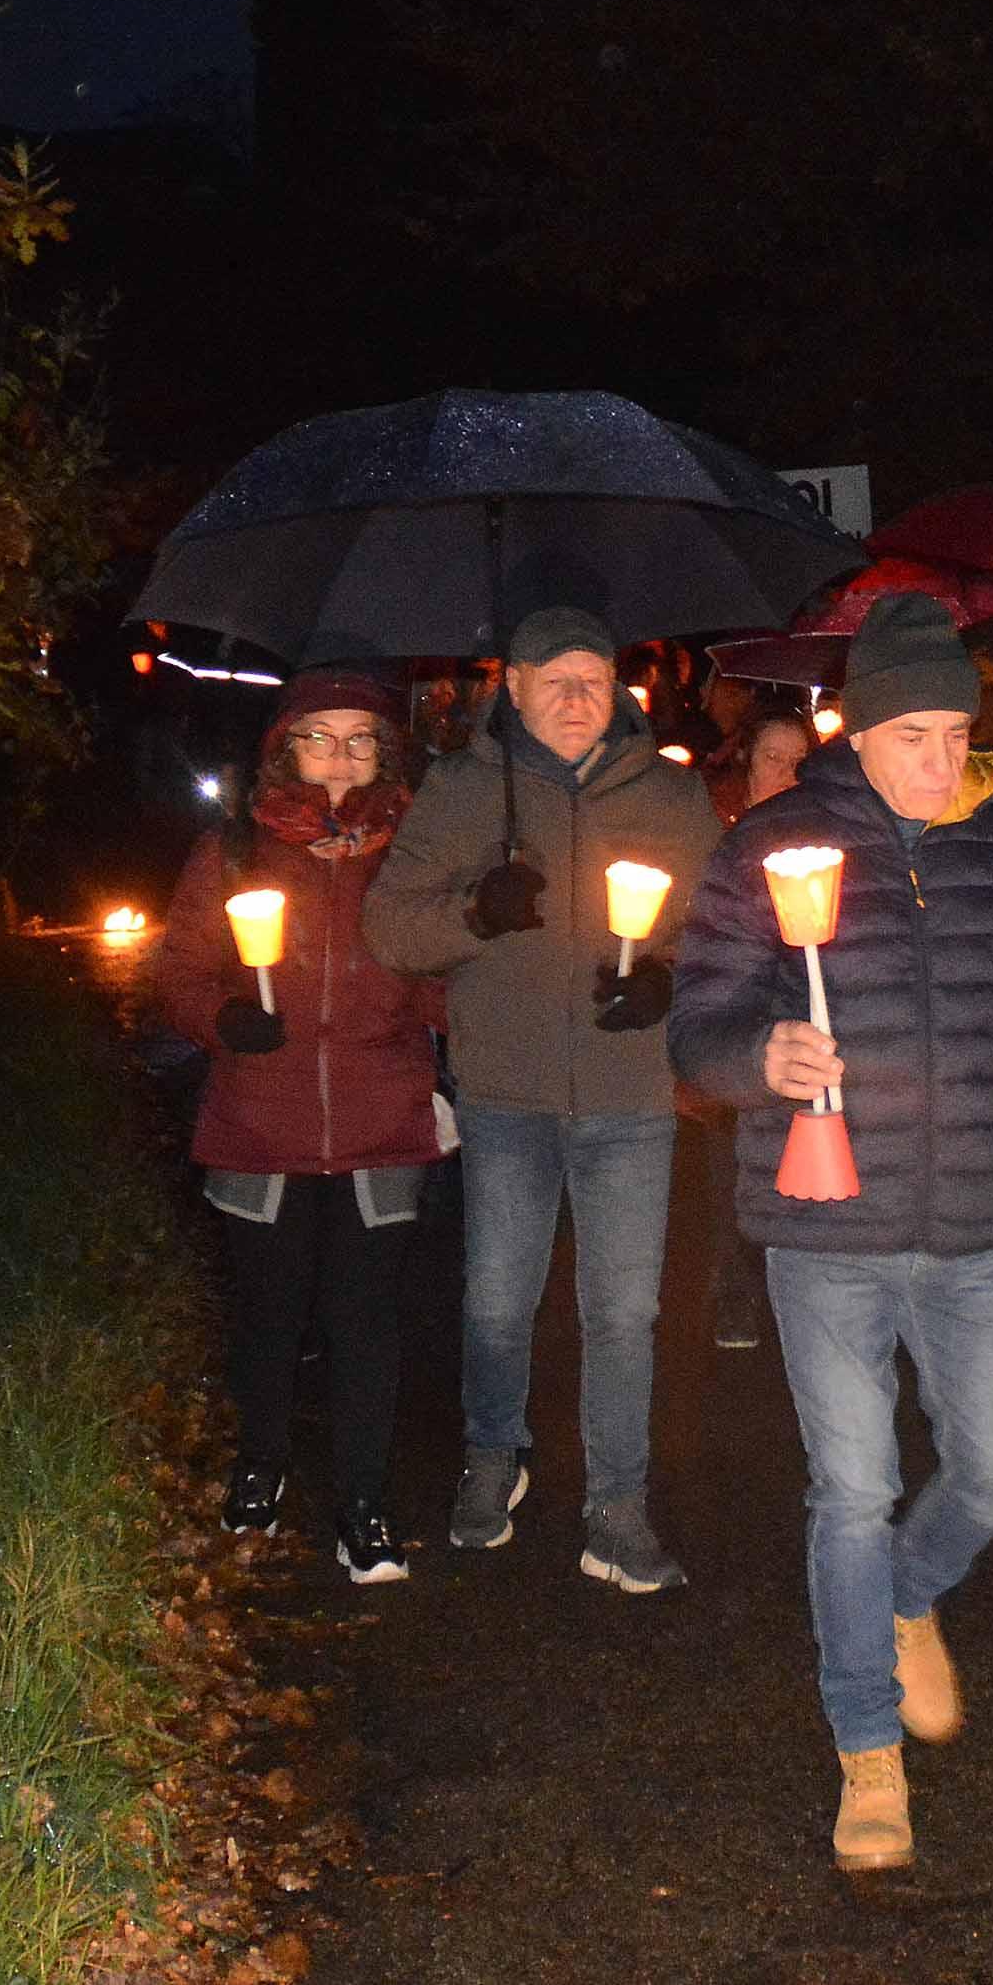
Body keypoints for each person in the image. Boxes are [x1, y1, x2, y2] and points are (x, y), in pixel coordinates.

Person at [668, 592, 993, 1874]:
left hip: (969, 1222)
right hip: (825, 1223)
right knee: (851, 1489)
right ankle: (866, 1754)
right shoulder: (775, 843)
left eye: (962, 733)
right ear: (865, 727)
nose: (947, 761)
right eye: (919, 736)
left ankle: (910, 1597)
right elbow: (697, 1026)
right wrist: (761, 1051)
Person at [364, 606, 721, 1593]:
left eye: (593, 678)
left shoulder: (673, 795)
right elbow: (391, 928)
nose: (575, 698)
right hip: (507, 1093)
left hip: (626, 1095)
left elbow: (722, 929)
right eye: (552, 679)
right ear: (509, 686)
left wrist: (667, 972)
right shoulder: (464, 789)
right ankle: (493, 1454)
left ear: (621, 688)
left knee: (622, 1310)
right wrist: (478, 910)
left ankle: (617, 1507)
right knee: (496, 1299)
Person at [153, 670, 446, 1581]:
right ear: (284, 751)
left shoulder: (413, 856)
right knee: (270, 1316)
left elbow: (440, 986)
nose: (341, 757)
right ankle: (261, 1464)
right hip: (260, 1122)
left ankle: (364, 1506)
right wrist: (225, 1019)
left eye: (362, 739)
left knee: (366, 1324)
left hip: (379, 1120)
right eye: (320, 737)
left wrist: (479, 927)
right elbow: (181, 970)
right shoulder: (236, 853)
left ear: (387, 754)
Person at [694, 705, 816, 1351]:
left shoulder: (822, 834)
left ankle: (792, 1287)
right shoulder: (719, 832)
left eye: (801, 760)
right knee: (731, 1168)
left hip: (799, 1026)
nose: (788, 773)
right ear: (746, 763)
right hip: (734, 1028)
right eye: (774, 758)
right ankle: (736, 1288)